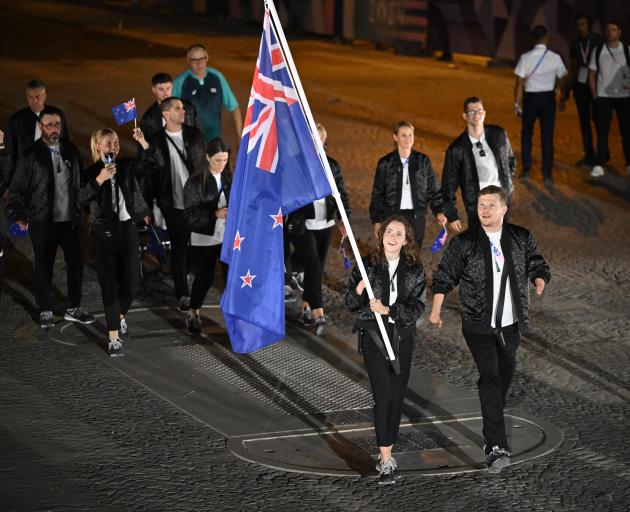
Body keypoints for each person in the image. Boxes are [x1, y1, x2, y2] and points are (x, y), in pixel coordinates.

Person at [429, 185, 551, 473]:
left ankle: (492, 410)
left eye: (490, 205)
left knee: (503, 375)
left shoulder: (520, 237)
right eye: (481, 204)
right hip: (478, 326)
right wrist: (435, 311)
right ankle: (495, 445)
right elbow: (444, 276)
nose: (484, 209)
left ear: (503, 209)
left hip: (511, 324)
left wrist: (539, 279)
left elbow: (537, 262)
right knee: (490, 375)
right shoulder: (465, 243)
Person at [345, 215, 426, 485]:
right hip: (374, 338)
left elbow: (417, 307)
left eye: (399, 233)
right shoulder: (367, 263)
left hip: (402, 339)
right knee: (384, 395)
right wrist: (359, 290)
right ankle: (385, 458)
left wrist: (388, 310)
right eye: (389, 231)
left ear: (406, 241)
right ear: (381, 235)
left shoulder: (414, 270)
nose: (392, 236)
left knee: (397, 396)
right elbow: (350, 303)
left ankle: (388, 448)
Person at [6, 107, 94, 328]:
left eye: (57, 124)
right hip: (43, 220)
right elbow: (16, 190)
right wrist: (16, 216)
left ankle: (73, 307)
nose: (54, 129)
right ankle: (45, 308)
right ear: (40, 127)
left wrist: (90, 211)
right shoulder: (30, 155)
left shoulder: (71, 150)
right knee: (44, 266)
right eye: (49, 125)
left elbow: (81, 183)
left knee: (76, 264)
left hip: (70, 220)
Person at [79, 127, 151, 356]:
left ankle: (119, 316)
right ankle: (113, 336)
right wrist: (99, 180)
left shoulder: (127, 167)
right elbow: (79, 200)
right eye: (109, 143)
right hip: (102, 231)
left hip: (127, 228)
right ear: (98, 146)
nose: (114, 147)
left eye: (117, 143)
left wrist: (144, 143)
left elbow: (152, 165)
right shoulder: (91, 172)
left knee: (132, 283)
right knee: (108, 284)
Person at [286, 123, 350, 334]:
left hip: (326, 224)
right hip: (303, 225)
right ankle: (318, 312)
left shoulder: (332, 166)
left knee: (318, 267)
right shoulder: (296, 165)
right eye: (311, 139)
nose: (315, 143)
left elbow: (341, 195)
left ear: (323, 141)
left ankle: (305, 306)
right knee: (313, 266)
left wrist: (344, 219)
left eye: (318, 139)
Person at [145, 96, 205, 311]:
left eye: (183, 107)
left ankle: (190, 275)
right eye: (177, 108)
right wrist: (149, 204)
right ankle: (182, 293)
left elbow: (204, 165)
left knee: (197, 244)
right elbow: (151, 172)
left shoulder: (194, 135)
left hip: (196, 202)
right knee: (179, 245)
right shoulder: (156, 140)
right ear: (166, 114)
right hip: (171, 202)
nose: (183, 111)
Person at [442, 96, 516, 232]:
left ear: (484, 113)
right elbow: (448, 186)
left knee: (502, 241)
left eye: (479, 110)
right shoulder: (457, 149)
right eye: (471, 112)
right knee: (480, 246)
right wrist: (451, 215)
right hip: (478, 206)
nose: (476, 114)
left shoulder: (499, 134)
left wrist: (507, 183)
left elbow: (510, 160)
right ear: (465, 116)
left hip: (501, 202)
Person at [369, 121, 446, 249]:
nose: (408, 139)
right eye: (403, 135)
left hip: (416, 217)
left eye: (410, 135)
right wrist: (376, 221)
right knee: (393, 256)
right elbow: (377, 194)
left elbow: (433, 189)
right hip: (392, 216)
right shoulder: (385, 163)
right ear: (395, 137)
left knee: (414, 256)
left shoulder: (423, 161)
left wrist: (439, 211)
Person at [182, 139, 231, 335]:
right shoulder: (195, 182)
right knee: (205, 275)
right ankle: (194, 311)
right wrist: (214, 214)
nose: (222, 164)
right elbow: (189, 215)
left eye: (225, 160)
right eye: (218, 160)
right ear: (208, 157)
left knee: (231, 275)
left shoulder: (227, 177)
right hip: (205, 237)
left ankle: (232, 315)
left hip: (226, 234)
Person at [514, 25, 568, 189]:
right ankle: (547, 175)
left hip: (530, 99)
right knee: (547, 136)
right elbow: (563, 77)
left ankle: (527, 169)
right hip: (548, 99)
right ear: (546, 37)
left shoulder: (525, 57)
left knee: (526, 134)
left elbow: (520, 83)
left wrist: (517, 104)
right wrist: (562, 97)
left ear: (533, 38)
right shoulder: (555, 57)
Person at [172, 44, 242, 142]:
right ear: (188, 60)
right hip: (190, 141)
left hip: (214, 139)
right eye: (194, 60)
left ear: (207, 58)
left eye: (202, 58)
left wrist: (240, 136)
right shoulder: (180, 81)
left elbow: (234, 107)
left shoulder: (217, 77)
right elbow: (168, 110)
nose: (199, 63)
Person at [5, 80, 70, 186]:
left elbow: (66, 145)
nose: (34, 101)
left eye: (38, 97)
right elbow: (11, 152)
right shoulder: (17, 120)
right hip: (25, 178)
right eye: (30, 97)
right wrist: (8, 184)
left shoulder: (57, 116)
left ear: (45, 96)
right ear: (26, 97)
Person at [588, 20, 630, 178]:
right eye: (608, 29)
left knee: (627, 132)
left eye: (614, 29)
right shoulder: (598, 50)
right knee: (603, 132)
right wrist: (595, 95)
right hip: (604, 97)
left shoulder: (627, 50)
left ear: (620, 32)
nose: (611, 32)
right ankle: (599, 164)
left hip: (624, 97)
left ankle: (629, 163)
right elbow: (592, 74)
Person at [562, 15, 604, 169]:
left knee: (599, 120)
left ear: (589, 25)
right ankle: (589, 154)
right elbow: (573, 68)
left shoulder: (598, 41)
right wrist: (566, 91)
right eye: (579, 25)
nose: (581, 27)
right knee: (584, 122)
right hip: (580, 87)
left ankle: (603, 152)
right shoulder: (574, 43)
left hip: (597, 84)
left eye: (584, 24)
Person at [139, 72, 202, 141]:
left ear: (172, 86)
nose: (166, 93)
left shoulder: (188, 108)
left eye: (168, 88)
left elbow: (200, 134)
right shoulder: (148, 119)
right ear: (154, 90)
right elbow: (146, 147)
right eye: (161, 89)